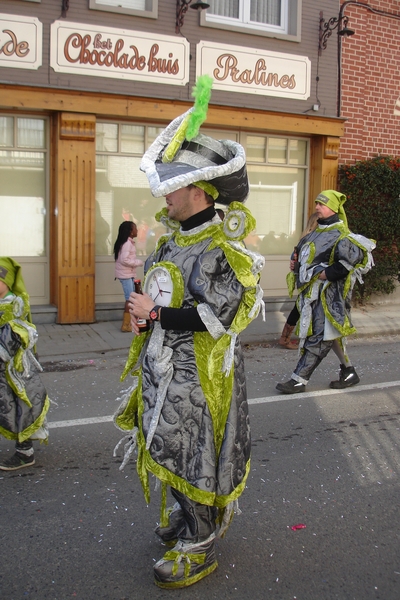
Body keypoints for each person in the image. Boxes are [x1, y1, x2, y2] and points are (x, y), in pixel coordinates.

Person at [113, 75, 265, 589]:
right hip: (164, 369)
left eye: (172, 186)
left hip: (199, 376)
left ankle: (199, 542)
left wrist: (153, 315)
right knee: (166, 445)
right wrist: (140, 312)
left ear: (197, 191)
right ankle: (189, 517)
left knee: (192, 449)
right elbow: (157, 295)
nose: (163, 195)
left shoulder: (223, 248)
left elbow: (213, 316)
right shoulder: (171, 240)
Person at [276, 190, 375, 394]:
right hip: (310, 295)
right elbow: (303, 254)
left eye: (321, 204)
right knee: (331, 335)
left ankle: (298, 379)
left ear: (333, 208)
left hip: (328, 297)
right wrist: (295, 263)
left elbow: (352, 260)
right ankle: (349, 371)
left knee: (319, 336)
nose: (317, 207)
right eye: (317, 203)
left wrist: (327, 274)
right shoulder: (315, 233)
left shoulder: (341, 235)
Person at [0, 257, 50, 471]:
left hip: (16, 371)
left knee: (21, 408)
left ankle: (24, 452)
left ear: (8, 281)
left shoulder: (14, 305)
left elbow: (18, 335)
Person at [279, 212, 319, 349]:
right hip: (311, 278)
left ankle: (286, 337)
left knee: (301, 306)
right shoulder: (314, 240)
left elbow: (293, 258)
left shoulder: (303, 239)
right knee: (304, 307)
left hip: (301, 279)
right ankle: (288, 338)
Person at [113, 221, 144, 332]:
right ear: (130, 232)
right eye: (135, 228)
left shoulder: (128, 243)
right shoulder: (127, 243)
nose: (137, 231)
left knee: (131, 298)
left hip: (128, 274)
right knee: (129, 299)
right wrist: (138, 262)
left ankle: (130, 322)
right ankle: (126, 325)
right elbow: (124, 260)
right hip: (125, 275)